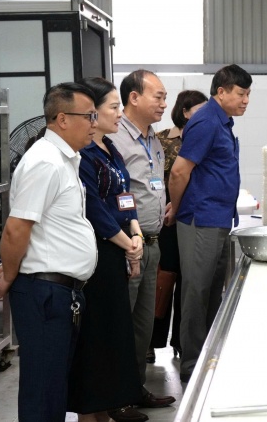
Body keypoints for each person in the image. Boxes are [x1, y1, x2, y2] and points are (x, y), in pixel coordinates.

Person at [0, 83, 99, 422]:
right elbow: (16, 228)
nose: (94, 123)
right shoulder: (45, 162)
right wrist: (9, 274)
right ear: (62, 119)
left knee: (53, 388)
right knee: (42, 390)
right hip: (44, 292)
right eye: (89, 116)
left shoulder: (64, 160)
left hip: (59, 292)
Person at [165, 64, 252, 383]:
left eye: (248, 94)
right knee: (197, 291)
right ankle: (192, 364)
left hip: (218, 218)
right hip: (199, 218)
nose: (246, 100)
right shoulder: (206, 121)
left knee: (214, 292)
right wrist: (176, 207)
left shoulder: (222, 121)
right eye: (241, 94)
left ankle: (208, 357)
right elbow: (179, 171)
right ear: (222, 91)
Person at [68, 77, 145, 422]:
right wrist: (127, 243)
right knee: (97, 337)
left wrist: (136, 231)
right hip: (98, 256)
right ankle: (90, 412)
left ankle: (107, 408)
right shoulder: (84, 156)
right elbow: (94, 209)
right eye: (113, 107)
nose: (119, 114)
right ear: (92, 112)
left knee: (116, 335)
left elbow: (124, 195)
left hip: (120, 249)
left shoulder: (110, 149)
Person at [106, 70, 175, 415]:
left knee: (143, 326)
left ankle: (135, 388)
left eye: (165, 98)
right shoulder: (114, 138)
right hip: (126, 246)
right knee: (121, 324)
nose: (164, 104)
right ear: (134, 97)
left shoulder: (154, 140)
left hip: (153, 242)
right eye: (158, 97)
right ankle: (116, 397)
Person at [148, 90, 208, 364]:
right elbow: (154, 176)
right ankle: (151, 341)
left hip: (192, 216)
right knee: (163, 279)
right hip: (167, 218)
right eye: (199, 110)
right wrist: (168, 203)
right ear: (184, 111)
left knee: (188, 280)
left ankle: (183, 343)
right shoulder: (161, 139)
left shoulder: (205, 136)